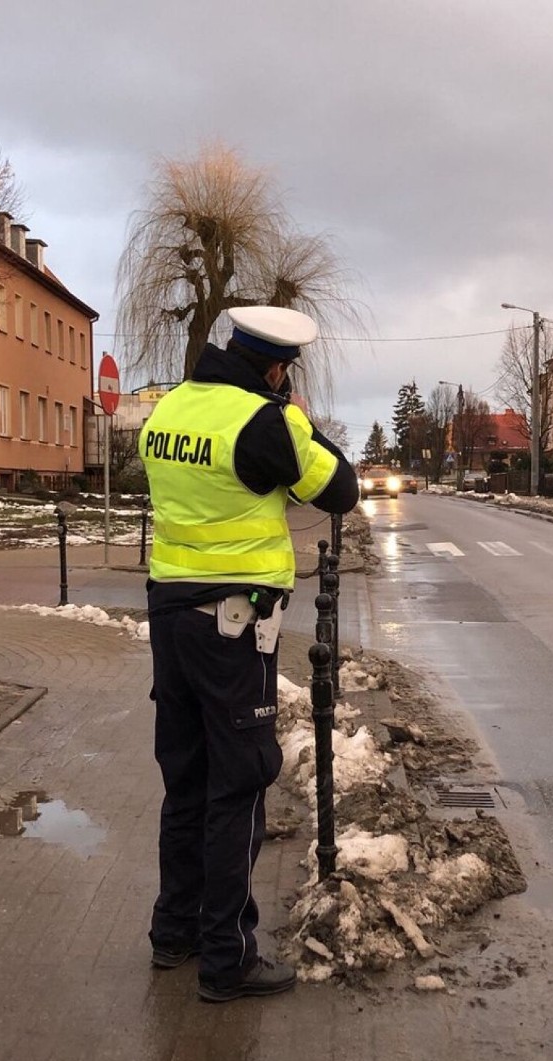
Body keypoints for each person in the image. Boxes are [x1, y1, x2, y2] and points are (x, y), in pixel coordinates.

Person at [139, 305, 359, 1002]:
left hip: (171, 613)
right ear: (276, 369)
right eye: (286, 373)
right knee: (239, 784)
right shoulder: (263, 423)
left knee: (187, 779)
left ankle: (172, 934)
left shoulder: (171, 407)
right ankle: (226, 958)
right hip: (233, 626)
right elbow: (340, 488)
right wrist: (294, 417)